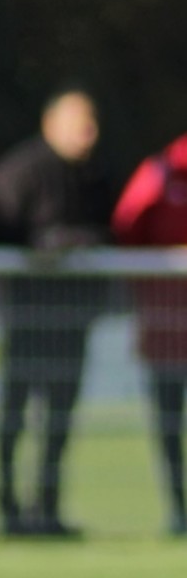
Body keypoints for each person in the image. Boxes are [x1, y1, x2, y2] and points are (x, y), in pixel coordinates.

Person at [0, 89, 115, 537]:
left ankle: (48, 507)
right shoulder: (23, 169)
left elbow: (109, 230)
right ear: (51, 124)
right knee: (14, 412)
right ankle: (8, 507)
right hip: (24, 315)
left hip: (72, 318)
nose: (88, 134)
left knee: (60, 417)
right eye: (80, 123)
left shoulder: (94, 173)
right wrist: (47, 246)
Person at [111, 129, 187, 537]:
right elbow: (127, 228)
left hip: (166, 325)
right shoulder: (160, 172)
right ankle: (178, 508)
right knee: (169, 421)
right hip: (166, 328)